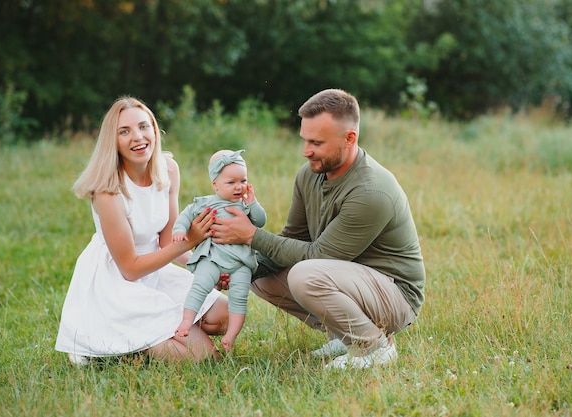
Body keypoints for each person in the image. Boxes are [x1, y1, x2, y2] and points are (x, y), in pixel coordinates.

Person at [211, 88, 425, 369]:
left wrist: (252, 235)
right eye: (304, 140)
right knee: (255, 273)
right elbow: (293, 239)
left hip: (395, 296)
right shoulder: (309, 174)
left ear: (350, 138)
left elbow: (321, 255)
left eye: (316, 142)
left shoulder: (371, 191)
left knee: (304, 274)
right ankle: (344, 334)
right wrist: (236, 267)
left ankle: (373, 346)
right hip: (345, 278)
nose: (306, 151)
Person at [55, 96, 229, 365]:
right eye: (124, 131)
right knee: (206, 359)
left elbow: (168, 240)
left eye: (143, 126)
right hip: (118, 282)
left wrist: (207, 267)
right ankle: (114, 342)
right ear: (112, 141)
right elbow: (130, 268)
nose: (138, 137)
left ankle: (154, 334)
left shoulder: (168, 169)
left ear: (154, 130)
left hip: (155, 271)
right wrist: (188, 243)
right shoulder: (108, 190)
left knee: (224, 315)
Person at [173, 149, 266, 352]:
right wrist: (180, 230)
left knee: (240, 296)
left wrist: (253, 203)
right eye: (231, 182)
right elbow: (185, 215)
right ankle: (187, 321)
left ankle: (231, 336)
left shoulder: (245, 205)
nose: (238, 186)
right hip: (212, 258)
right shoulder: (205, 203)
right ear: (215, 184)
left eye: (243, 180)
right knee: (200, 285)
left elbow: (261, 221)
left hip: (240, 262)